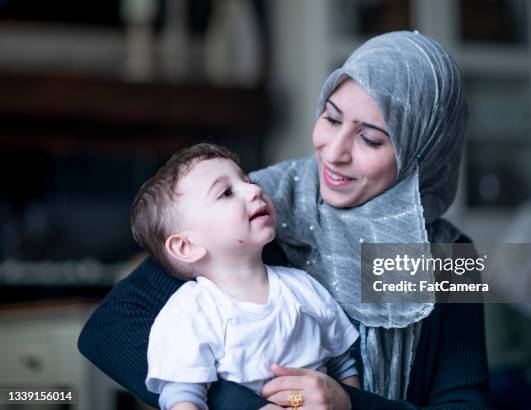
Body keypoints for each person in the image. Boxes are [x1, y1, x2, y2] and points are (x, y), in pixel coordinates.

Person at [79, 31, 490, 409]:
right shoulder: (258, 207)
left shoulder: (450, 256)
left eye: (370, 139)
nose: (334, 152)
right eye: (330, 117)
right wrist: (252, 404)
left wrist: (349, 404)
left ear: (423, 152)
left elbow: (464, 404)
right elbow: (111, 330)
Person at [131, 142, 359, 410]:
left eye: (249, 181)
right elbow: (182, 395)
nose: (255, 190)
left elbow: (342, 366)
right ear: (186, 246)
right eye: (226, 193)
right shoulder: (190, 312)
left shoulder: (303, 287)